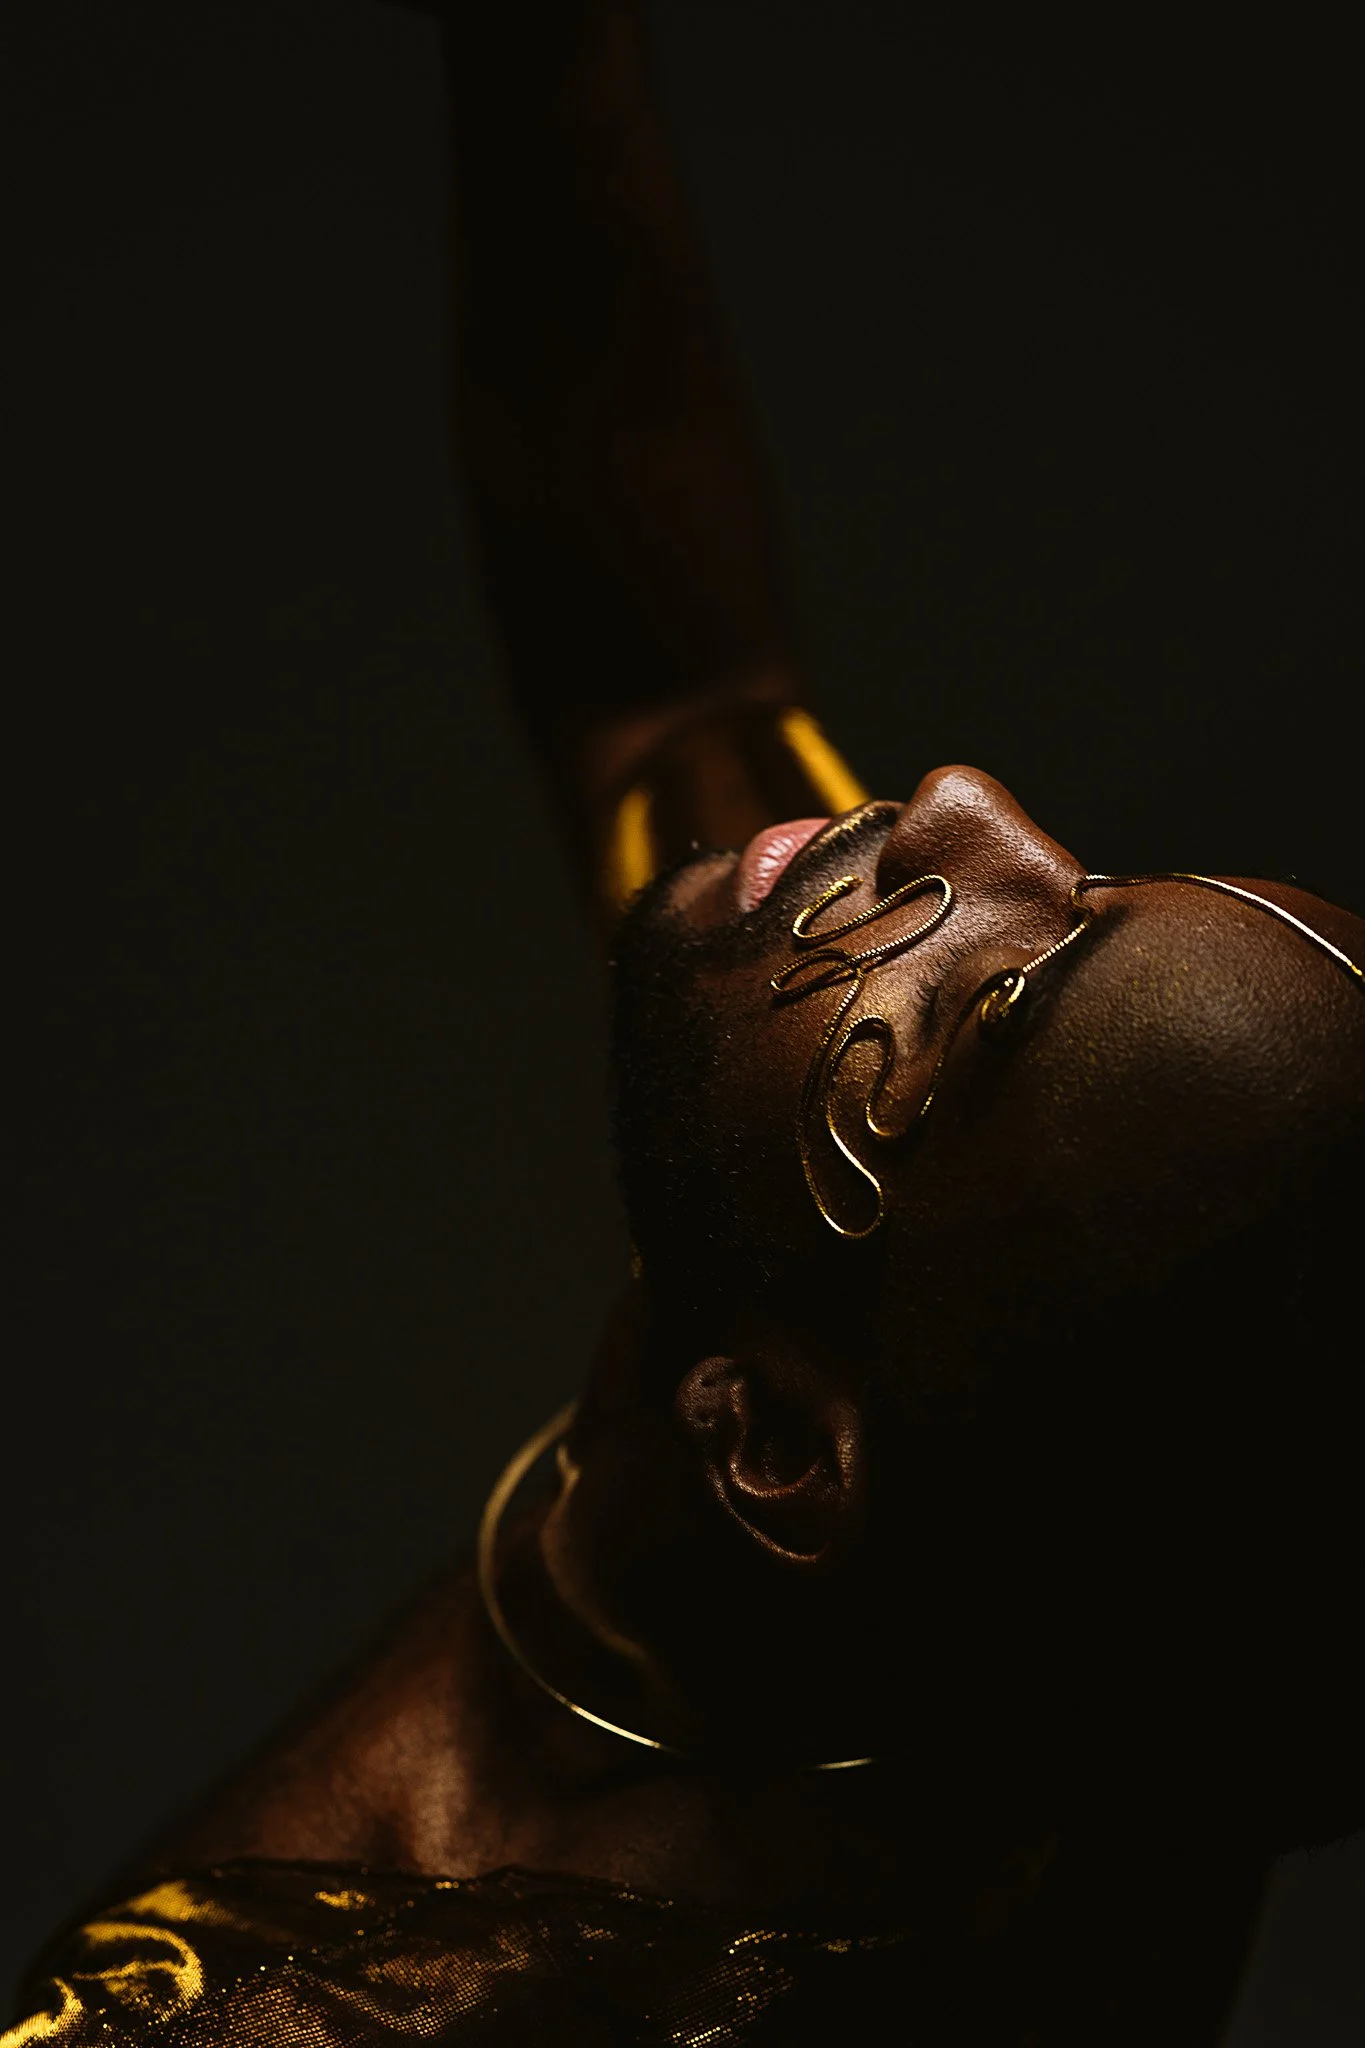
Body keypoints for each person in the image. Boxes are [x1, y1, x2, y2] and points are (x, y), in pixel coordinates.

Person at [7, 3, 1362, 2042]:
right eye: (1081, 883)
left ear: (776, 1443)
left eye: (964, 1024)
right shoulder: (1171, 1559)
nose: (966, 809)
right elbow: (669, 682)